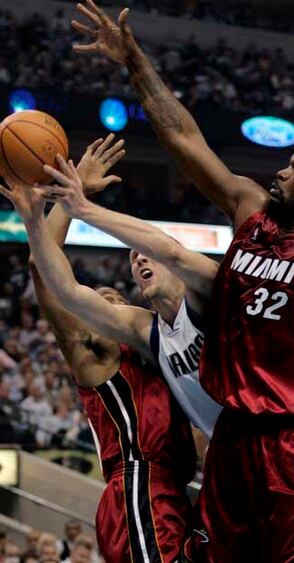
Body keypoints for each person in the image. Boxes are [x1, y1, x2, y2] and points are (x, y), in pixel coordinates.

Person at [70, 3, 294, 561]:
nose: (282, 170)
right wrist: (133, 60)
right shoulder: (250, 210)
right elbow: (185, 139)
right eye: (287, 162)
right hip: (233, 435)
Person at [15, 135, 197, 563]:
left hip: (175, 489)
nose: (109, 301)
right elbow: (43, 268)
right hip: (137, 487)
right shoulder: (93, 354)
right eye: (98, 300)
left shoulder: (159, 349)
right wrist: (73, 196)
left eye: (117, 296)